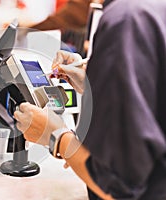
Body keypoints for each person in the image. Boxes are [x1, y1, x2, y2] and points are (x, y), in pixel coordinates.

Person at [14, 0, 166, 199]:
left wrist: (55, 136)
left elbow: (118, 188)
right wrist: (95, 83)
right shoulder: (152, 9)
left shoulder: (126, 21)